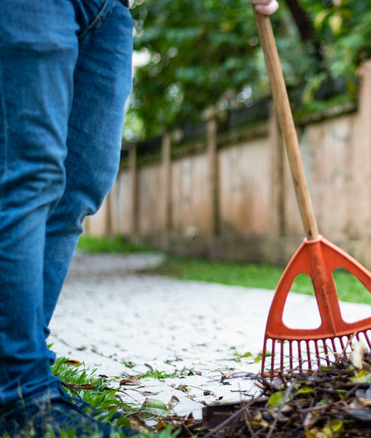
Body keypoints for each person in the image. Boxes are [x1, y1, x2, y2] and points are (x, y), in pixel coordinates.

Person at [0, 0, 278, 436]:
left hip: (112, 9)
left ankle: (25, 365)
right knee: (30, 174)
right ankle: (20, 391)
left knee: (80, 184)